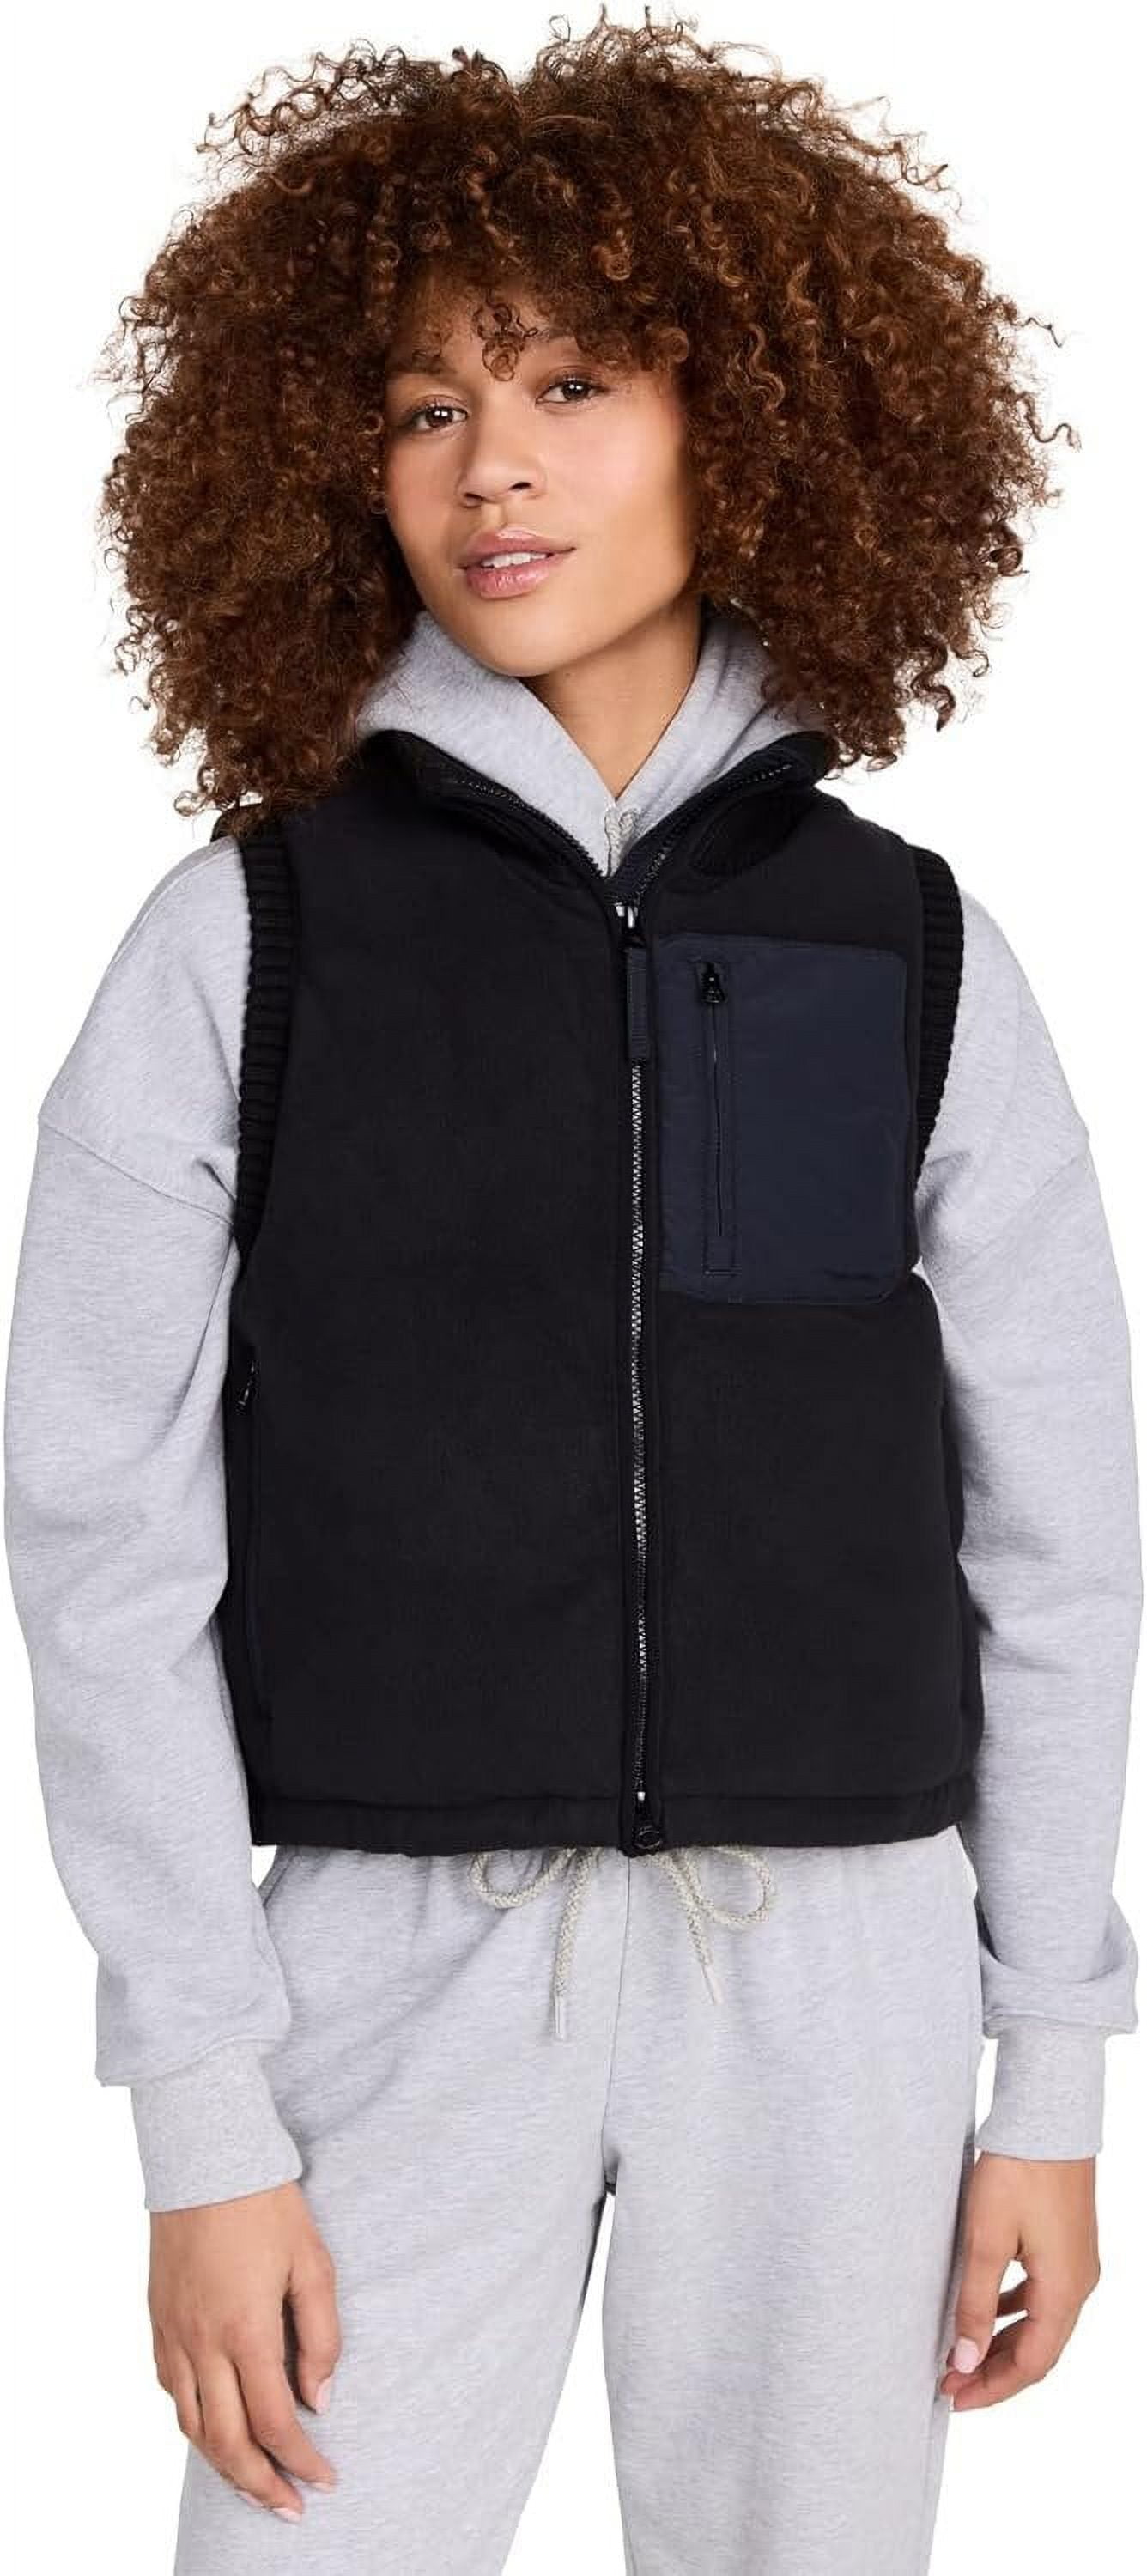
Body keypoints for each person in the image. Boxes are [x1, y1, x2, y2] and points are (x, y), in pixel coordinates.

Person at [3, 16, 1142, 2572]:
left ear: (754, 420)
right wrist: (200, 2115)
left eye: (571, 383)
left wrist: (1052, 2071)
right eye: (425, 406)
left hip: (839, 1973)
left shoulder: (910, 949)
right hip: (391, 1966)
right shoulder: (248, 938)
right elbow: (100, 1542)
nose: (490, 466)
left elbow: (1060, 1540)